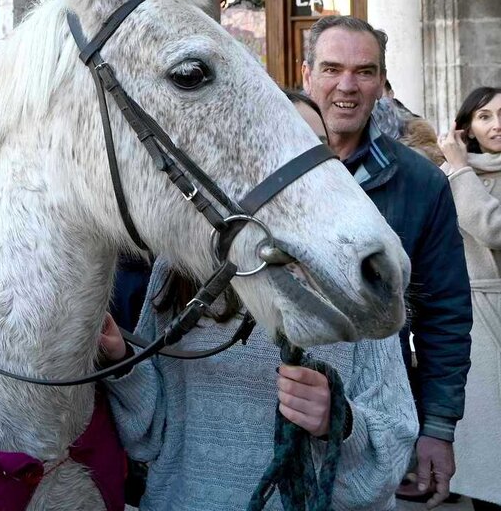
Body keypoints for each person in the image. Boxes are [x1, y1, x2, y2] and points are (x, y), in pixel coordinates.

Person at [100, 91, 418, 511]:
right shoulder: (179, 271)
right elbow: (152, 432)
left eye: (318, 149)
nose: (307, 167)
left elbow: (393, 447)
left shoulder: (357, 277)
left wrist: (338, 422)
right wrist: (121, 358)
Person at [302, 15, 472, 508]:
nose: (347, 87)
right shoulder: (243, 171)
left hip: (372, 420)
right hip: (262, 405)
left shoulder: (421, 184)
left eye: (365, 72)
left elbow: (444, 314)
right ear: (307, 71)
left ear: (382, 83)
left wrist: (436, 428)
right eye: (332, 68)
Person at [438, 86, 501, 510]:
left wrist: (459, 171)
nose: (496, 124)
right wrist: (458, 169)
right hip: (474, 318)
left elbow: (493, 227)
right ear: (467, 128)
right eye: (485, 116)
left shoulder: (455, 175)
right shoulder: (446, 176)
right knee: (486, 450)